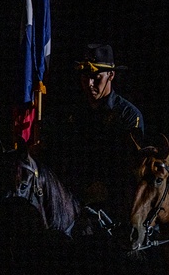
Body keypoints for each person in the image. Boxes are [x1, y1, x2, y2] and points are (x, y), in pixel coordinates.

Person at [50, 43, 144, 228]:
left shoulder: (128, 116)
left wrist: (107, 188)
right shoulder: (73, 114)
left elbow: (133, 167)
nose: (90, 83)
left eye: (96, 77)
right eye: (85, 76)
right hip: (72, 201)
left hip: (115, 208)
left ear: (111, 75)